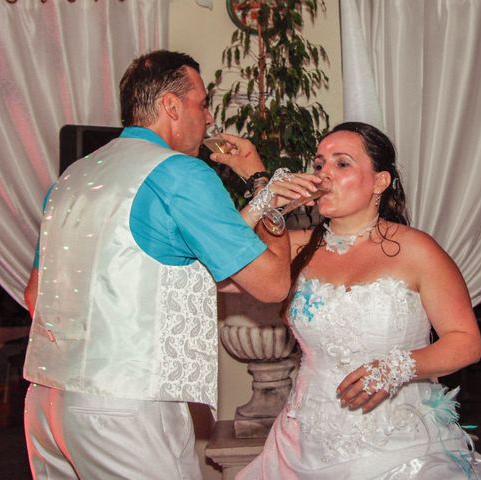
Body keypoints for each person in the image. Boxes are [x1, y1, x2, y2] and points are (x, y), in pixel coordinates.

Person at [22, 50, 296, 479]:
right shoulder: (180, 173)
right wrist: (263, 184)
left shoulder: (72, 178)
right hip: (126, 407)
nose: (208, 119)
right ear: (171, 105)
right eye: (203, 103)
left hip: (47, 404)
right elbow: (273, 284)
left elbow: (36, 294)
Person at [212, 122, 481, 479]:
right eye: (319, 164)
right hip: (304, 445)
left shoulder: (417, 250)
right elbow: (216, 272)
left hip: (403, 445)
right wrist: (266, 200)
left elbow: (465, 342)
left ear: (380, 182)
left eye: (342, 164)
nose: (324, 175)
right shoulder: (294, 246)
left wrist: (393, 369)